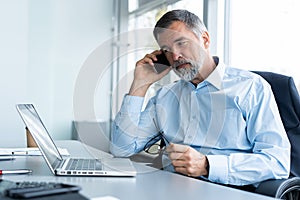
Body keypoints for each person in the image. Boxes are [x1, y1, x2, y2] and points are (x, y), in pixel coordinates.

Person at [110, 9, 290, 187]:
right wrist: (141, 84)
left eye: (182, 43)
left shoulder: (250, 87)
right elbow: (121, 149)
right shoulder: (165, 96)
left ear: (205, 40)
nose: (175, 56)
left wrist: (207, 165)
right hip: (170, 188)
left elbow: (277, 162)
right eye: (166, 50)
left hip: (228, 189)